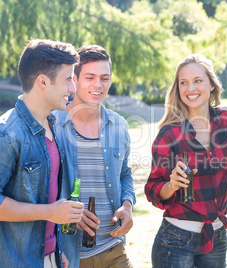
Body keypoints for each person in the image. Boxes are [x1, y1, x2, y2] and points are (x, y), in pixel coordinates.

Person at [144, 54, 227, 267]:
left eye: (198, 81)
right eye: (183, 83)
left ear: (212, 85)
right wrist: (171, 184)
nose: (190, 88)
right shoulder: (169, 135)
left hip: (216, 236)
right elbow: (153, 189)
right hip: (175, 239)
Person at [0, 39, 84, 267]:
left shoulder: (53, 124)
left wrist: (54, 253)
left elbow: (47, 195)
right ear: (43, 82)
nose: (73, 88)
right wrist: (49, 212)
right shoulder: (7, 133)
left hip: (49, 257)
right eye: (68, 79)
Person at [53, 45, 136, 268]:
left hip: (114, 249)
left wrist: (128, 205)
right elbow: (39, 189)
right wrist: (68, 212)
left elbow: (125, 174)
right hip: (68, 255)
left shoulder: (118, 125)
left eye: (104, 78)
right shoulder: (53, 124)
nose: (98, 85)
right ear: (75, 79)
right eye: (90, 77)